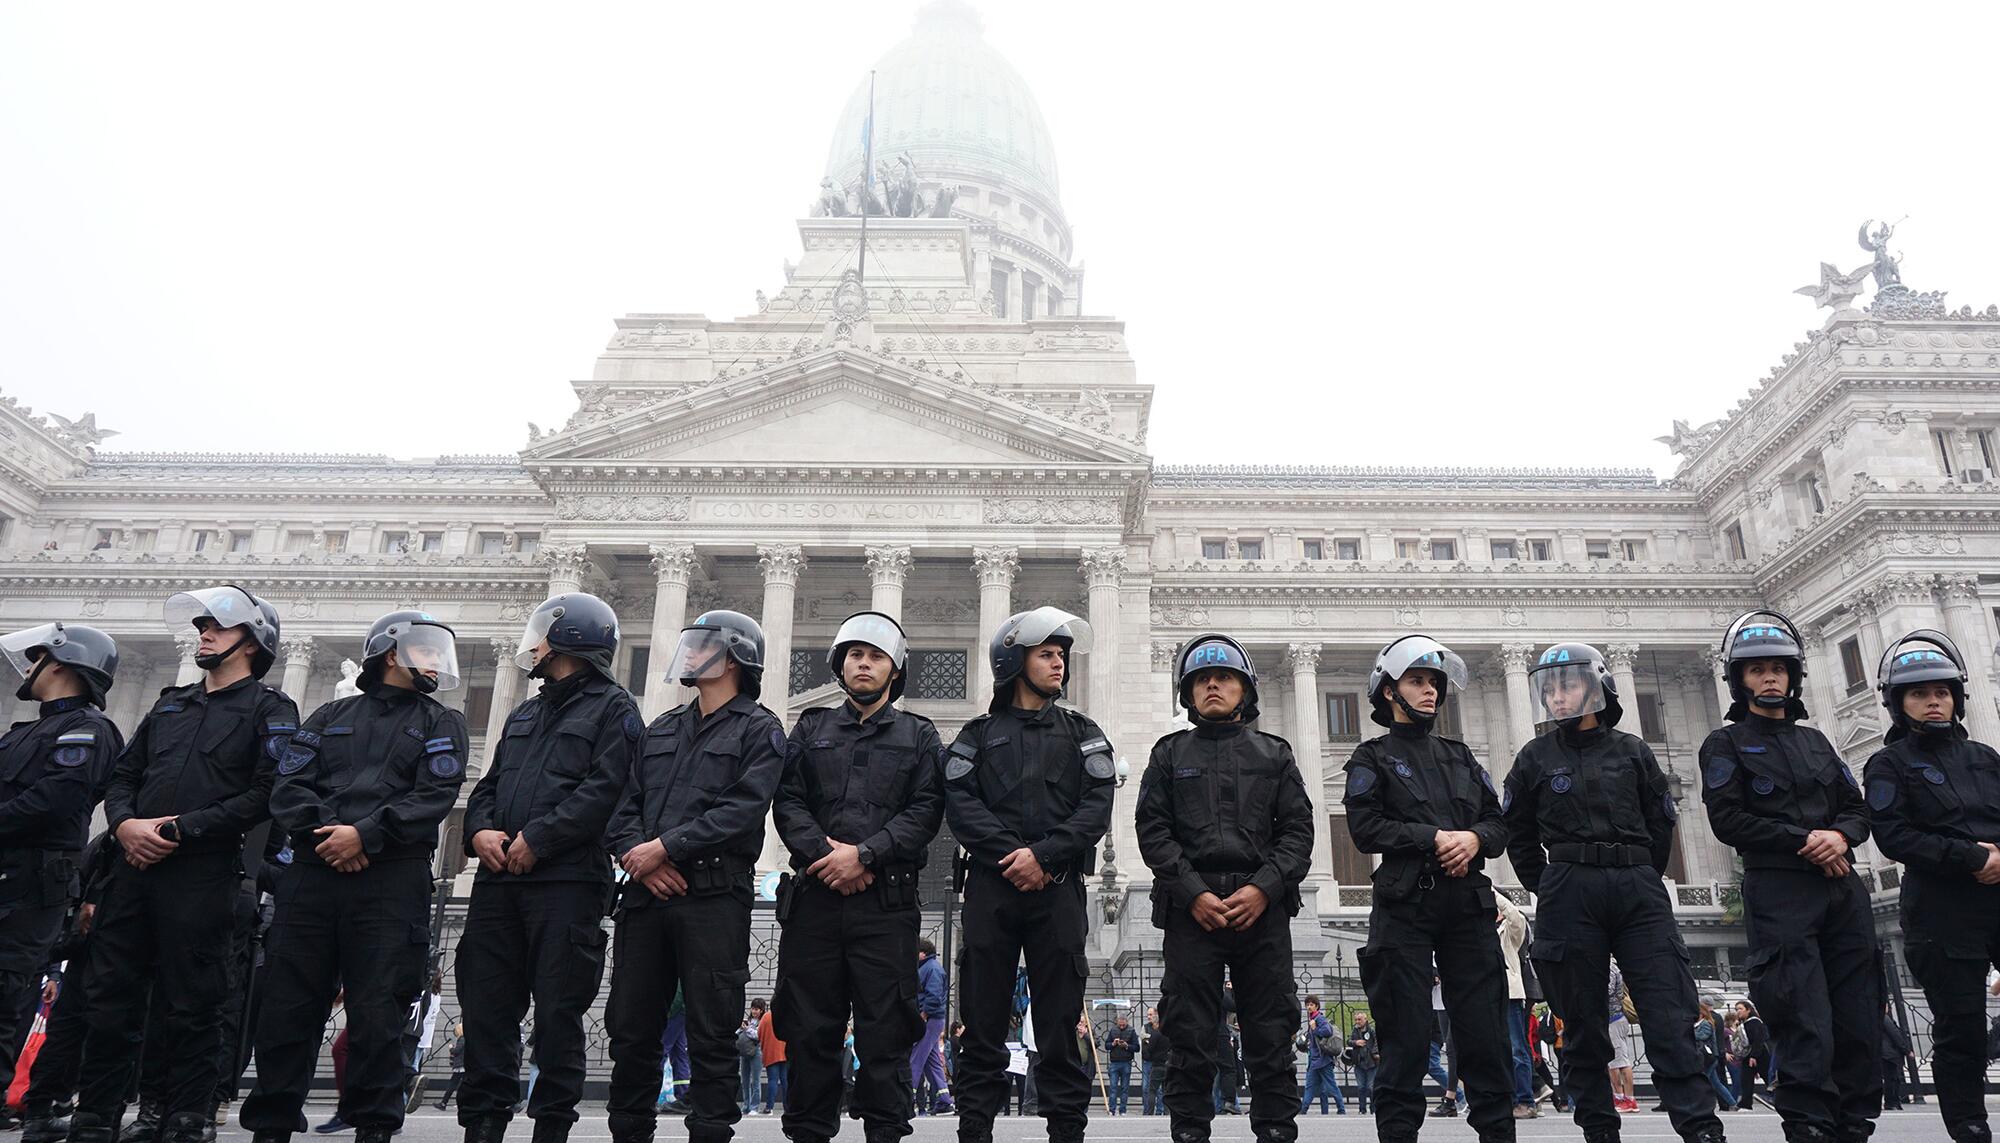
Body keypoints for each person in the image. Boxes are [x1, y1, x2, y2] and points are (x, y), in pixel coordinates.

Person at [70, 588, 296, 1143]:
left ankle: (182, 1114)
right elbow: (124, 776)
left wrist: (182, 829)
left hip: (204, 871)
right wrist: (125, 825)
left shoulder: (271, 709)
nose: (204, 634)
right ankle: (96, 1114)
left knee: (194, 999)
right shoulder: (169, 703)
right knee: (111, 996)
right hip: (133, 867)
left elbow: (267, 792)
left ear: (252, 641)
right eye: (201, 626)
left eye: (218, 626)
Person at [240, 611, 469, 1143]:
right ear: (391, 654)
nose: (436, 663)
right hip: (314, 876)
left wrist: (365, 835)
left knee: (380, 1010)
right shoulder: (328, 715)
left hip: (390, 878)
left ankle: (374, 1126)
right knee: (288, 1006)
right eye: (427, 651)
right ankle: (271, 1124)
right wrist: (332, 836)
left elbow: (434, 796)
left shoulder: (442, 722)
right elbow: (289, 787)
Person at [1502, 641, 1726, 1143]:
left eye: (1568, 685)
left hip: (1636, 889)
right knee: (1581, 1023)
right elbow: (1517, 833)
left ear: (1597, 687)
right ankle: (1599, 1130)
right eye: (1550, 689)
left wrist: (1640, 873)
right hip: (1569, 888)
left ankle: (1701, 1129)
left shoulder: (1632, 750)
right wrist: (1549, 884)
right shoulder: (1534, 757)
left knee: (1668, 1013)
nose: (1557, 696)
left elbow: (1660, 822)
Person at [458, 594, 637, 1143]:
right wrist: (478, 831)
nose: (533, 646)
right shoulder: (525, 712)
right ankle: (483, 1124)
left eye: (542, 636)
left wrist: (540, 839)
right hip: (499, 880)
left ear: (569, 639)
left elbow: (607, 789)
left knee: (558, 1011)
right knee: (486, 1008)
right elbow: (489, 784)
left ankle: (552, 1126)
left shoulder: (615, 708)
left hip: (568, 881)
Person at [602, 609, 782, 1143]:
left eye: (703, 645)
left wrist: (664, 848)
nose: (690, 652)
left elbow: (742, 809)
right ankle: (628, 1132)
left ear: (734, 659)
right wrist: (637, 856)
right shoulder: (662, 727)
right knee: (631, 1028)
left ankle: (709, 1131)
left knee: (711, 1029)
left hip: (713, 897)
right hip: (645, 896)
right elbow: (625, 804)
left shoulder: (760, 728)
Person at [1701, 611, 1879, 1143]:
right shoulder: (1725, 744)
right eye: (1757, 670)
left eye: (1778, 669)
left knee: (1858, 1011)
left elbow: (1857, 808)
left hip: (1841, 886)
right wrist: (1807, 840)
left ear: (1793, 675)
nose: (1770, 678)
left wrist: (1841, 836)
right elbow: (1727, 820)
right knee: (1799, 1008)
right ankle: (1808, 1121)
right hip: (1779, 887)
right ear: (1740, 680)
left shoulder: (1818, 741)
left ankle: (1856, 1120)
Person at [768, 611, 945, 1143]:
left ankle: (886, 1131)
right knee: (809, 1029)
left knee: (886, 1031)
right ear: (840, 666)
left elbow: (926, 810)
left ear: (895, 671)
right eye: (854, 655)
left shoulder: (919, 734)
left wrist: (865, 855)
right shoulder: (810, 728)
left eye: (875, 657)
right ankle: (807, 1132)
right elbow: (788, 800)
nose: (863, 664)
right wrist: (829, 857)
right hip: (815, 901)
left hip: (885, 908)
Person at [944, 607, 1113, 1143]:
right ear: (1014, 661)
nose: (1058, 663)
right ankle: (975, 1127)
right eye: (1046, 654)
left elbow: (1096, 808)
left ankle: (1066, 1129)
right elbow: (960, 804)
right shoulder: (976, 735)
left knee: (1059, 1023)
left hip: (1058, 890)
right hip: (991, 889)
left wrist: (1043, 856)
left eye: (1061, 654)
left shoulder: (1084, 733)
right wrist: (1013, 857)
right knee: (983, 1020)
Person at [1135, 634, 1312, 1143]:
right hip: (1192, 913)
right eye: (1202, 680)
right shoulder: (1169, 754)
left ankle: (1276, 1130)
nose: (1212, 685)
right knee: (1188, 1030)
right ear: (1188, 693)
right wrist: (1192, 892)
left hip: (1263, 911)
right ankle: (1190, 1131)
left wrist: (1264, 888)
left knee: (1271, 1030)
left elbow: (1298, 833)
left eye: (1224, 677)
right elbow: (1153, 831)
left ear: (1244, 690)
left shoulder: (1274, 754)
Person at [1343, 635, 1513, 1143]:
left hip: (1467, 905)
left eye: (1435, 682)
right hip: (1404, 904)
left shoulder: (1460, 756)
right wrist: (1432, 837)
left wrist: (1474, 839)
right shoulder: (1371, 757)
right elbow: (1365, 829)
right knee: (1404, 1035)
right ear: (1389, 691)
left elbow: (1498, 824)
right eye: (1417, 681)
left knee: (1485, 1035)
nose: (1430, 691)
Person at [1861, 628, 1999, 1142]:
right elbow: (1893, 835)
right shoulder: (1889, 764)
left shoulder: (1986, 757)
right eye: (1919, 694)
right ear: (1899, 704)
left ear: (1957, 698)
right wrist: (1972, 857)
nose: (1934, 701)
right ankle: (1969, 1126)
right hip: (1942, 911)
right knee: (1961, 1026)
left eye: (1942, 692)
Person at [0, 621, 122, 1114]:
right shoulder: (22, 733)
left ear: (63, 664)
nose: (29, 668)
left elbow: (56, 800)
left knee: (7, 987)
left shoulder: (88, 729)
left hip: (33, 879)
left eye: (38, 658)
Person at [1492, 896, 1535, 1121]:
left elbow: (1515, 917)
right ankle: (1506, 1098)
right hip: (1488, 996)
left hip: (1510, 994)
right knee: (1496, 1050)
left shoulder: (1509, 932)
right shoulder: (1482, 929)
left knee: (1517, 1048)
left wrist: (1491, 891)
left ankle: (1525, 1100)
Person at [911, 943, 954, 1115]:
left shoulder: (931, 969)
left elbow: (933, 996)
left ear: (923, 953)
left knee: (916, 1058)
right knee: (932, 1062)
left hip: (929, 1019)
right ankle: (944, 1100)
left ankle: (907, 1097)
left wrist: (923, 1014)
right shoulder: (931, 967)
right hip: (933, 1019)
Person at [1296, 998, 1343, 1116]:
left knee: (1331, 1086)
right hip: (1314, 1060)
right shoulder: (1312, 1019)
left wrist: (1314, 1029)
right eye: (1307, 1005)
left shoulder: (1319, 1018)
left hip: (1323, 1060)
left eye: (1311, 1004)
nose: (1309, 1007)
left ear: (1316, 1006)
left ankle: (1341, 1109)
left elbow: (1327, 1031)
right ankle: (1303, 1109)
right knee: (1309, 1086)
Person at [1693, 1002, 1735, 1113]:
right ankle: (1732, 1103)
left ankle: (1700, 1105)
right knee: (1716, 1084)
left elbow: (1703, 1036)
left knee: (1702, 1082)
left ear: (1701, 1013)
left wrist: (1689, 1033)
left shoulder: (1706, 1024)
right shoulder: (1698, 1024)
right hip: (1706, 1057)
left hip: (1708, 1058)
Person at [1731, 1002, 1768, 1111]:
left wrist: (1754, 1056)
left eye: (1740, 1009)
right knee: (1746, 1080)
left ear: (1748, 1010)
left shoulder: (1754, 1022)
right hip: (1749, 1055)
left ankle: (1780, 1098)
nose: (1738, 1011)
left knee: (1767, 1077)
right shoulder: (1745, 1023)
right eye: (1736, 1009)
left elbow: (1758, 1040)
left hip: (1759, 1055)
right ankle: (1745, 1103)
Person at [1877, 1006, 1910, 1112]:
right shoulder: (1885, 1018)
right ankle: (1892, 1102)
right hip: (1890, 1053)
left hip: (1885, 1053)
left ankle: (1893, 1102)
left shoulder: (1878, 1019)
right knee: (1893, 1079)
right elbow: (1895, 1035)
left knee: (1891, 1079)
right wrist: (1906, 1050)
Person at [1100, 1017, 1134, 1117]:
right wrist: (1113, 1044)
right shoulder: (1113, 1030)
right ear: (1117, 1023)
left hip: (1126, 1062)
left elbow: (1137, 1047)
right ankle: (1112, 1109)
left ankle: (1122, 1110)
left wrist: (1127, 1046)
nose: (1122, 1026)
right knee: (1113, 1087)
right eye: (1120, 1025)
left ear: (1127, 1022)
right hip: (1114, 1062)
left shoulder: (1131, 1031)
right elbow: (1106, 1046)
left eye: (1123, 1025)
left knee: (1124, 1088)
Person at [1347, 1013, 1378, 1116]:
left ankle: (1373, 1108)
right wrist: (1356, 1042)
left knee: (1371, 1087)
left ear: (1365, 1019)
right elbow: (1348, 1041)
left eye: (1359, 1019)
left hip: (1371, 1063)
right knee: (1361, 1087)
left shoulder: (1371, 1030)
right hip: (1359, 1063)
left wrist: (1374, 1053)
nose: (1357, 1022)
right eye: (1356, 1020)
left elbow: (1377, 1042)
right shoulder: (1355, 1030)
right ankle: (1362, 1109)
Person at [735, 1004, 763, 1119]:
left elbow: (758, 1035)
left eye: (756, 1009)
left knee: (755, 1080)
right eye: (752, 1009)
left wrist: (747, 1029)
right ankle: (746, 1106)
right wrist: (741, 1028)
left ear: (761, 1010)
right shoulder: (749, 1021)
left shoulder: (761, 1022)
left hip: (756, 1053)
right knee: (745, 1080)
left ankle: (754, 1107)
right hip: (744, 1052)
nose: (754, 1011)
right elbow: (736, 1033)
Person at [757, 1006, 786, 1115]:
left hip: (771, 1052)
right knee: (786, 1081)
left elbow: (759, 1033)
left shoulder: (766, 1016)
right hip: (785, 1052)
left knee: (772, 1080)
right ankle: (788, 1107)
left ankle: (769, 1107)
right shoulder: (786, 1015)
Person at [1140, 1009, 1167, 1117]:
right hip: (1167, 1064)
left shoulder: (1155, 1034)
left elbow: (1150, 1050)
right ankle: (1167, 1111)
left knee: (1152, 1090)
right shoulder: (1168, 1034)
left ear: (1157, 1023)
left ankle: (1150, 1112)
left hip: (1157, 1065)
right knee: (1166, 1090)